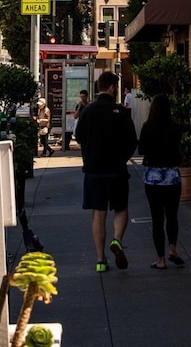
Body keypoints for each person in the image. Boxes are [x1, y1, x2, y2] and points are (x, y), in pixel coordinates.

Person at [76, 70, 137, 273]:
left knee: (98, 213)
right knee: (120, 208)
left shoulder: (88, 111)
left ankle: (100, 260)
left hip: (93, 171)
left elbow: (79, 136)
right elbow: (132, 142)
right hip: (117, 170)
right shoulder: (120, 112)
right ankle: (117, 239)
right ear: (112, 87)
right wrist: (121, 158)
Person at [138, 93, 185, 270]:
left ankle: (160, 259)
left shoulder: (147, 127)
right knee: (172, 215)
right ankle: (173, 248)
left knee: (157, 218)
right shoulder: (176, 128)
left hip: (153, 177)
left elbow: (141, 149)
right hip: (172, 176)